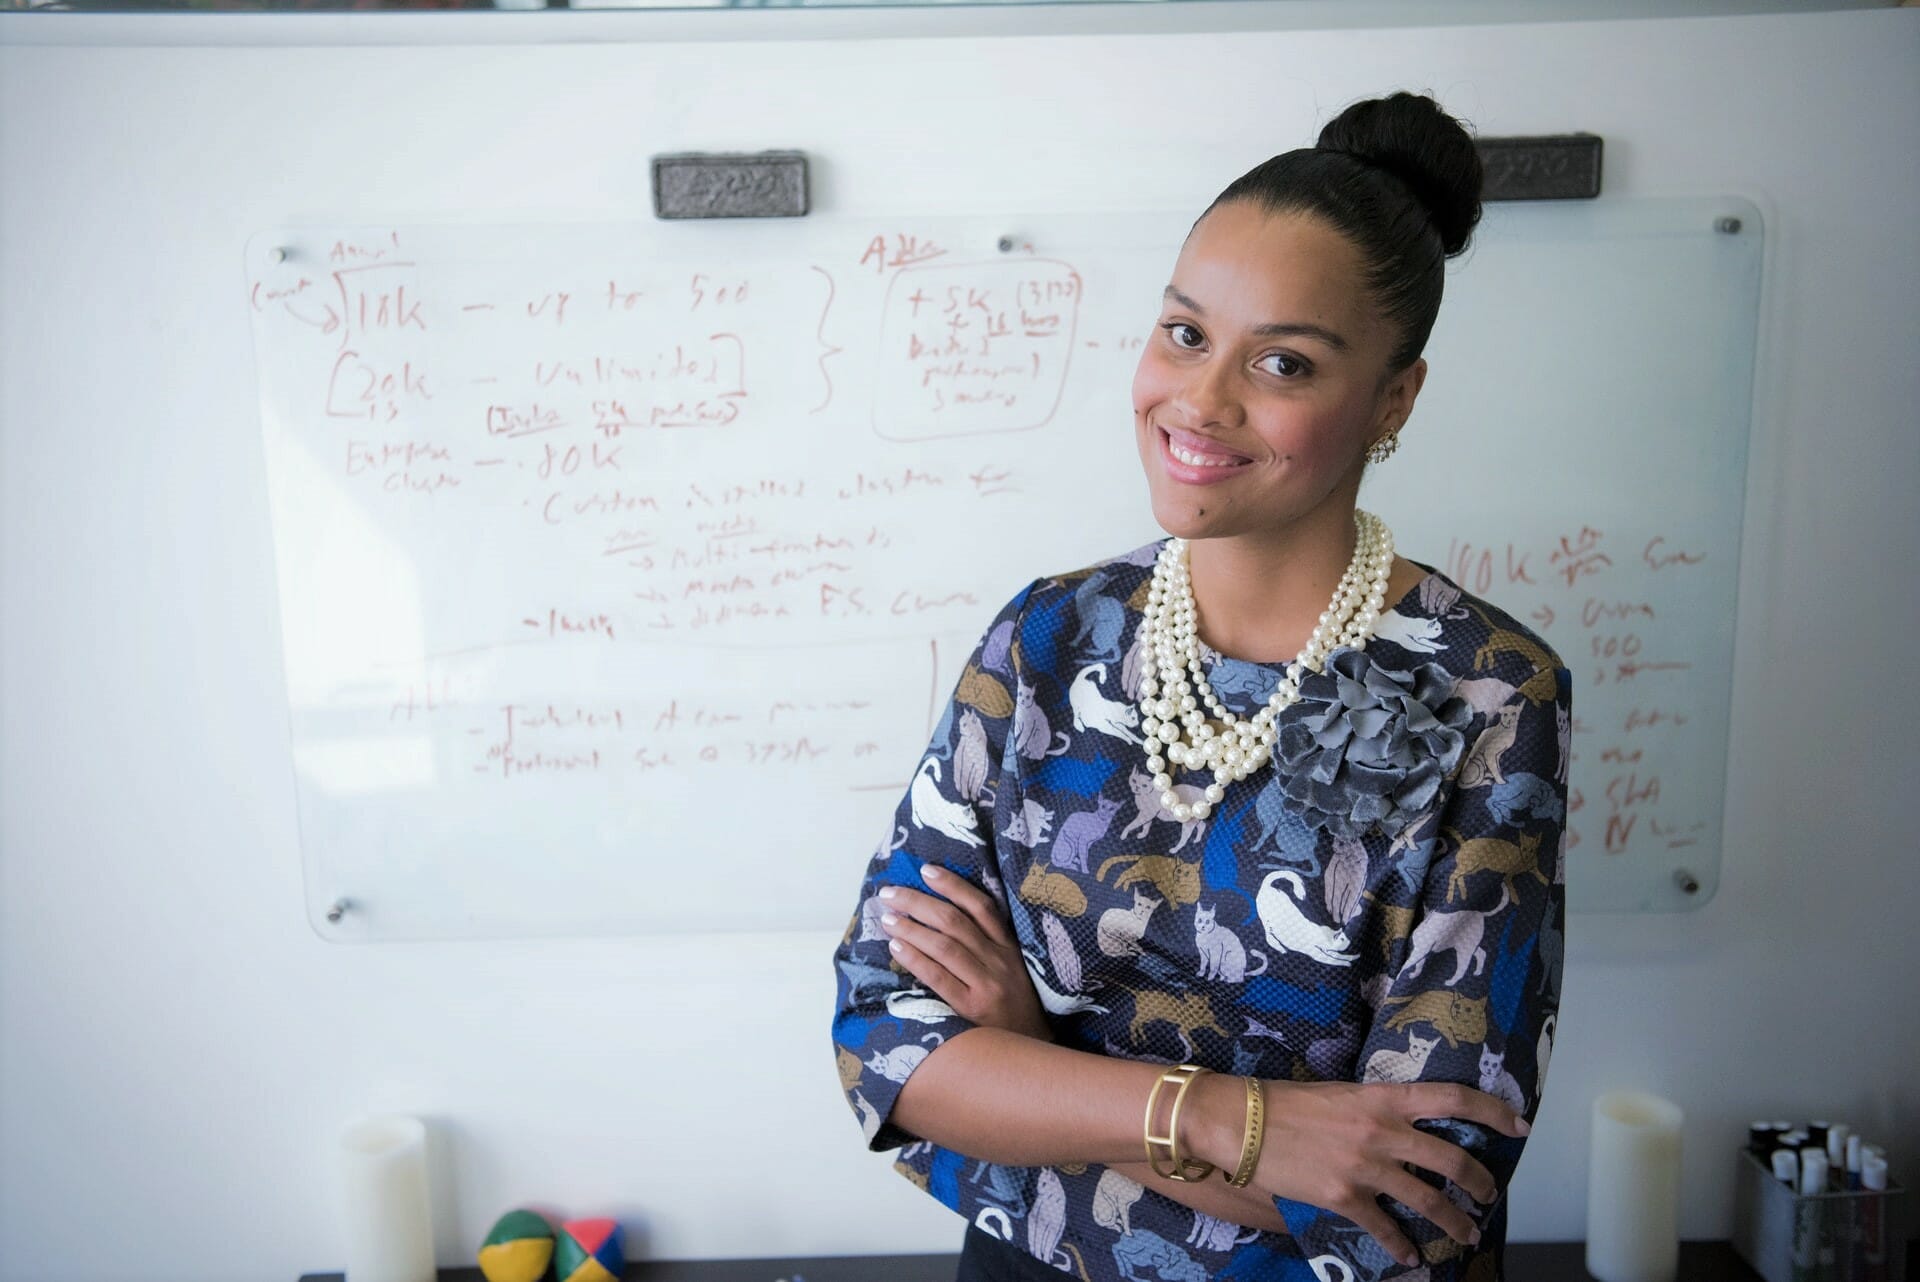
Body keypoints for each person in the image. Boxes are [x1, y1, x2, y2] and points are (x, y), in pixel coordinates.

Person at [830, 90, 1570, 1282]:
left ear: (1394, 399)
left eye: (1282, 361)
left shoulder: (1468, 693)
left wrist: (1038, 1073)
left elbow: (1414, 1187)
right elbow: (889, 1042)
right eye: (1185, 333)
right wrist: (1245, 1128)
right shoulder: (1047, 641)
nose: (1202, 400)